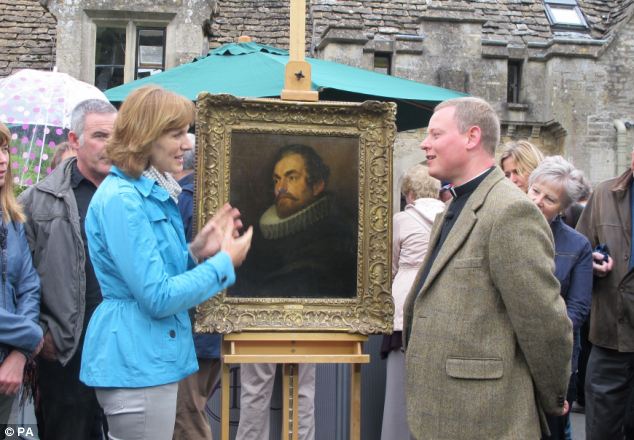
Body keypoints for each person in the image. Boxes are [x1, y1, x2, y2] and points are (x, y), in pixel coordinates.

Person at [78, 85, 252, 440]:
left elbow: (152, 274)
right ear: (145, 136)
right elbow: (157, 296)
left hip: (146, 357)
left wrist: (196, 251)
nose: (188, 144)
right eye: (177, 134)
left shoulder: (145, 193)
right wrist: (222, 265)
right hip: (136, 360)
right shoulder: (124, 199)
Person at [402, 97, 573, 439]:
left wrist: (553, 398)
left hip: (485, 418)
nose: (425, 143)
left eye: (435, 134)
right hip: (444, 412)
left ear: (472, 136)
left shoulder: (510, 211)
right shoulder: (455, 205)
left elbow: (543, 322)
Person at [234, 144, 356, 440]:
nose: (281, 187)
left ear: (317, 185)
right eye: (277, 179)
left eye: (291, 177)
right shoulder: (256, 236)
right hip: (258, 322)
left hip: (312, 320)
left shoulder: (338, 234)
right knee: (254, 395)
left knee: (303, 394)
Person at [19, 98, 117, 440]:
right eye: (100, 136)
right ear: (74, 141)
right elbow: (18, 278)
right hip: (66, 351)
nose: (111, 145)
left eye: (117, 136)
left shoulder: (131, 195)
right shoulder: (37, 201)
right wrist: (35, 336)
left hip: (121, 346)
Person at [526, 156, 593, 439]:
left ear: (564, 208)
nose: (538, 201)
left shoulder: (577, 245)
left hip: (555, 357)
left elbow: (578, 310)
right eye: (535, 191)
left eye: (550, 199)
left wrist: (541, 327)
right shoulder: (500, 229)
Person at [380, 164, 444, 440]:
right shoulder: (452, 217)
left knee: (399, 389)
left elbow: (388, 267)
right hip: (442, 305)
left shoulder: (401, 221)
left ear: (409, 194)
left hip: (404, 308)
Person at [576, 147, 634, 440]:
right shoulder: (604, 194)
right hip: (608, 339)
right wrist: (594, 265)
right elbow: (579, 256)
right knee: (601, 430)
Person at [172, 134, 223, 440]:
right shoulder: (208, 198)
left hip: (192, 328)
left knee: (186, 417)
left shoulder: (184, 199)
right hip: (209, 329)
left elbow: (178, 267)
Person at [0, 122, 43, 427]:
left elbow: (29, 286)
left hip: (9, 370)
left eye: (4, 149)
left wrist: (18, 354)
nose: (3, 158)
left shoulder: (11, 219)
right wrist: (30, 335)